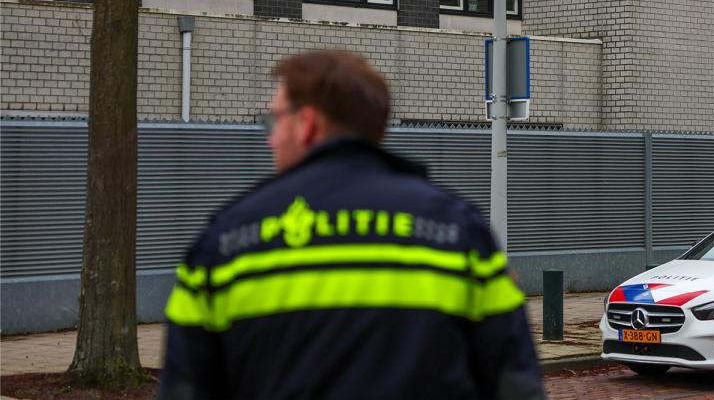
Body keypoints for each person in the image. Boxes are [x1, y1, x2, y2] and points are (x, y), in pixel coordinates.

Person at [158, 49, 544, 399]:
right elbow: (516, 385)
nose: (270, 139)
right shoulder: (458, 232)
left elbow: (184, 389)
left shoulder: (226, 242)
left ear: (307, 123)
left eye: (274, 121)